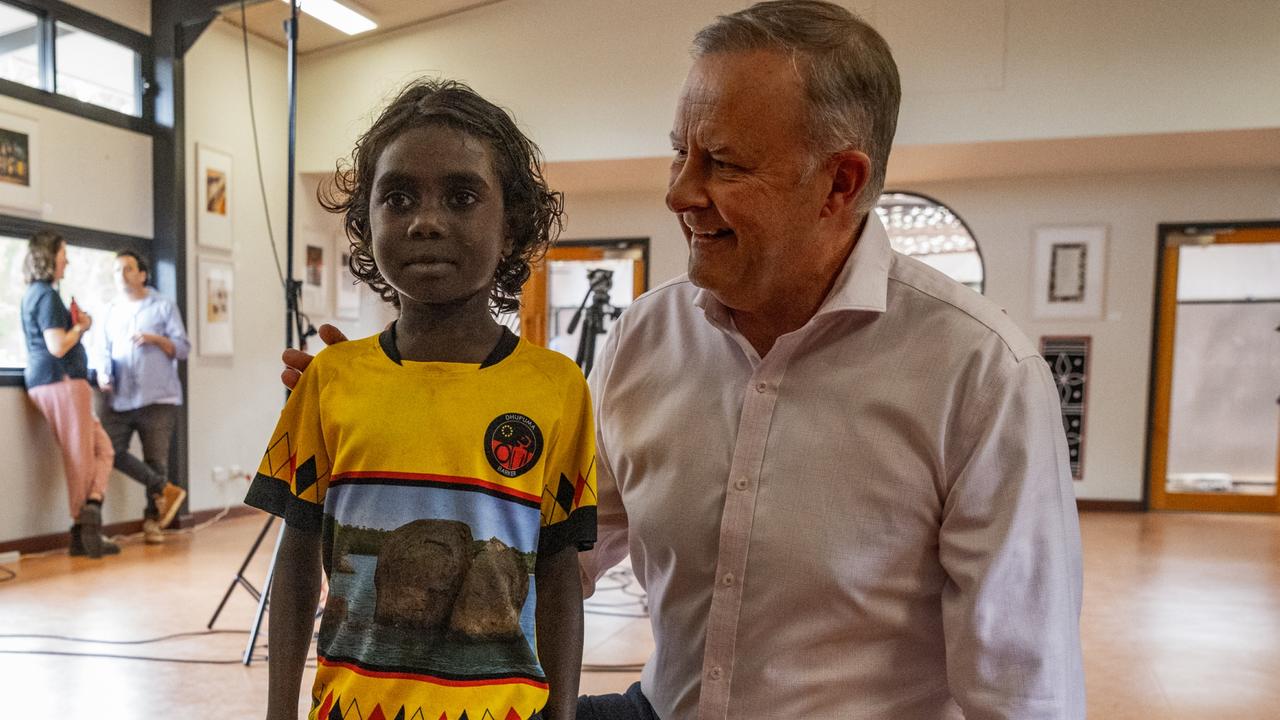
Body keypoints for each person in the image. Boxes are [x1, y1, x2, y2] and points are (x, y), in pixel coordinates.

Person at [285, 2, 1085, 718]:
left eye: (723, 164)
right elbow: (556, 548)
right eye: (680, 152)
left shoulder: (980, 374)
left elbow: (1023, 690)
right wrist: (408, 420)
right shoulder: (648, 336)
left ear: (840, 183)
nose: (678, 192)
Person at [247, 79, 596, 720]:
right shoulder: (329, 380)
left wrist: (564, 713)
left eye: (462, 197)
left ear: (512, 222)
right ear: (365, 222)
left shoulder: (557, 387)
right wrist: (278, 713)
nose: (426, 220)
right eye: (397, 196)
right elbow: (297, 561)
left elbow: (559, 574)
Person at [20, 230, 118, 558]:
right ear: (50, 256)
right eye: (64, 254)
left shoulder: (34, 294)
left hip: (55, 381)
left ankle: (88, 512)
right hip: (61, 381)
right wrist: (81, 328)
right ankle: (82, 529)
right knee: (80, 456)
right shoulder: (45, 296)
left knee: (103, 449)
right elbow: (57, 345)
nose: (68, 261)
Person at [95, 251, 189, 544]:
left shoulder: (163, 306)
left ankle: (153, 522)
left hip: (158, 398)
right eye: (116, 270)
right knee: (109, 450)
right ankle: (165, 489)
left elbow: (183, 348)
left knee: (155, 459)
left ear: (142, 274)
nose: (121, 275)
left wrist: (156, 339)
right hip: (121, 398)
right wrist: (101, 374)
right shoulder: (110, 310)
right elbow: (101, 351)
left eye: (127, 269)